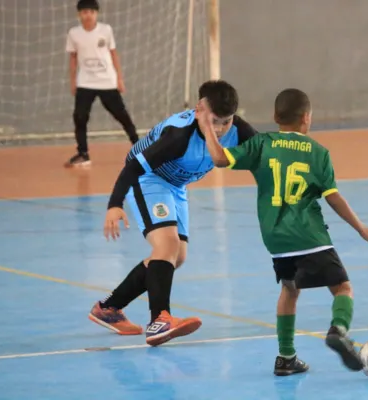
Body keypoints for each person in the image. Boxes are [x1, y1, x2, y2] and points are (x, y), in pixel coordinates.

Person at [198, 88, 368, 376]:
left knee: (289, 288)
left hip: (276, 239)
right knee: (343, 288)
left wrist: (207, 126)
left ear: (275, 116)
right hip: (309, 236)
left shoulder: (261, 143)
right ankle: (339, 330)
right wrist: (361, 228)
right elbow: (333, 197)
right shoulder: (318, 153)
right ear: (307, 118)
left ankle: (286, 358)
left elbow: (219, 159)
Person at [89, 80, 258, 347]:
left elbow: (266, 157)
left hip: (176, 186)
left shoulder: (239, 131)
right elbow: (134, 167)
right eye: (214, 121)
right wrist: (115, 204)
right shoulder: (178, 136)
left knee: (175, 257)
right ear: (200, 109)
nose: (221, 128)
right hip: (149, 178)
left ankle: (109, 309)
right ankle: (159, 320)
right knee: (166, 246)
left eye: (226, 122)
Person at [65, 0, 139, 167]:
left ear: (96, 13)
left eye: (91, 11)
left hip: (107, 81)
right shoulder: (74, 33)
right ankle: (83, 153)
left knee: (122, 115)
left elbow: (114, 54)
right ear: (79, 14)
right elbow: (73, 58)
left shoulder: (106, 30)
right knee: (80, 117)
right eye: (84, 12)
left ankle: (139, 147)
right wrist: (73, 81)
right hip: (85, 81)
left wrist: (119, 78)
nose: (88, 15)